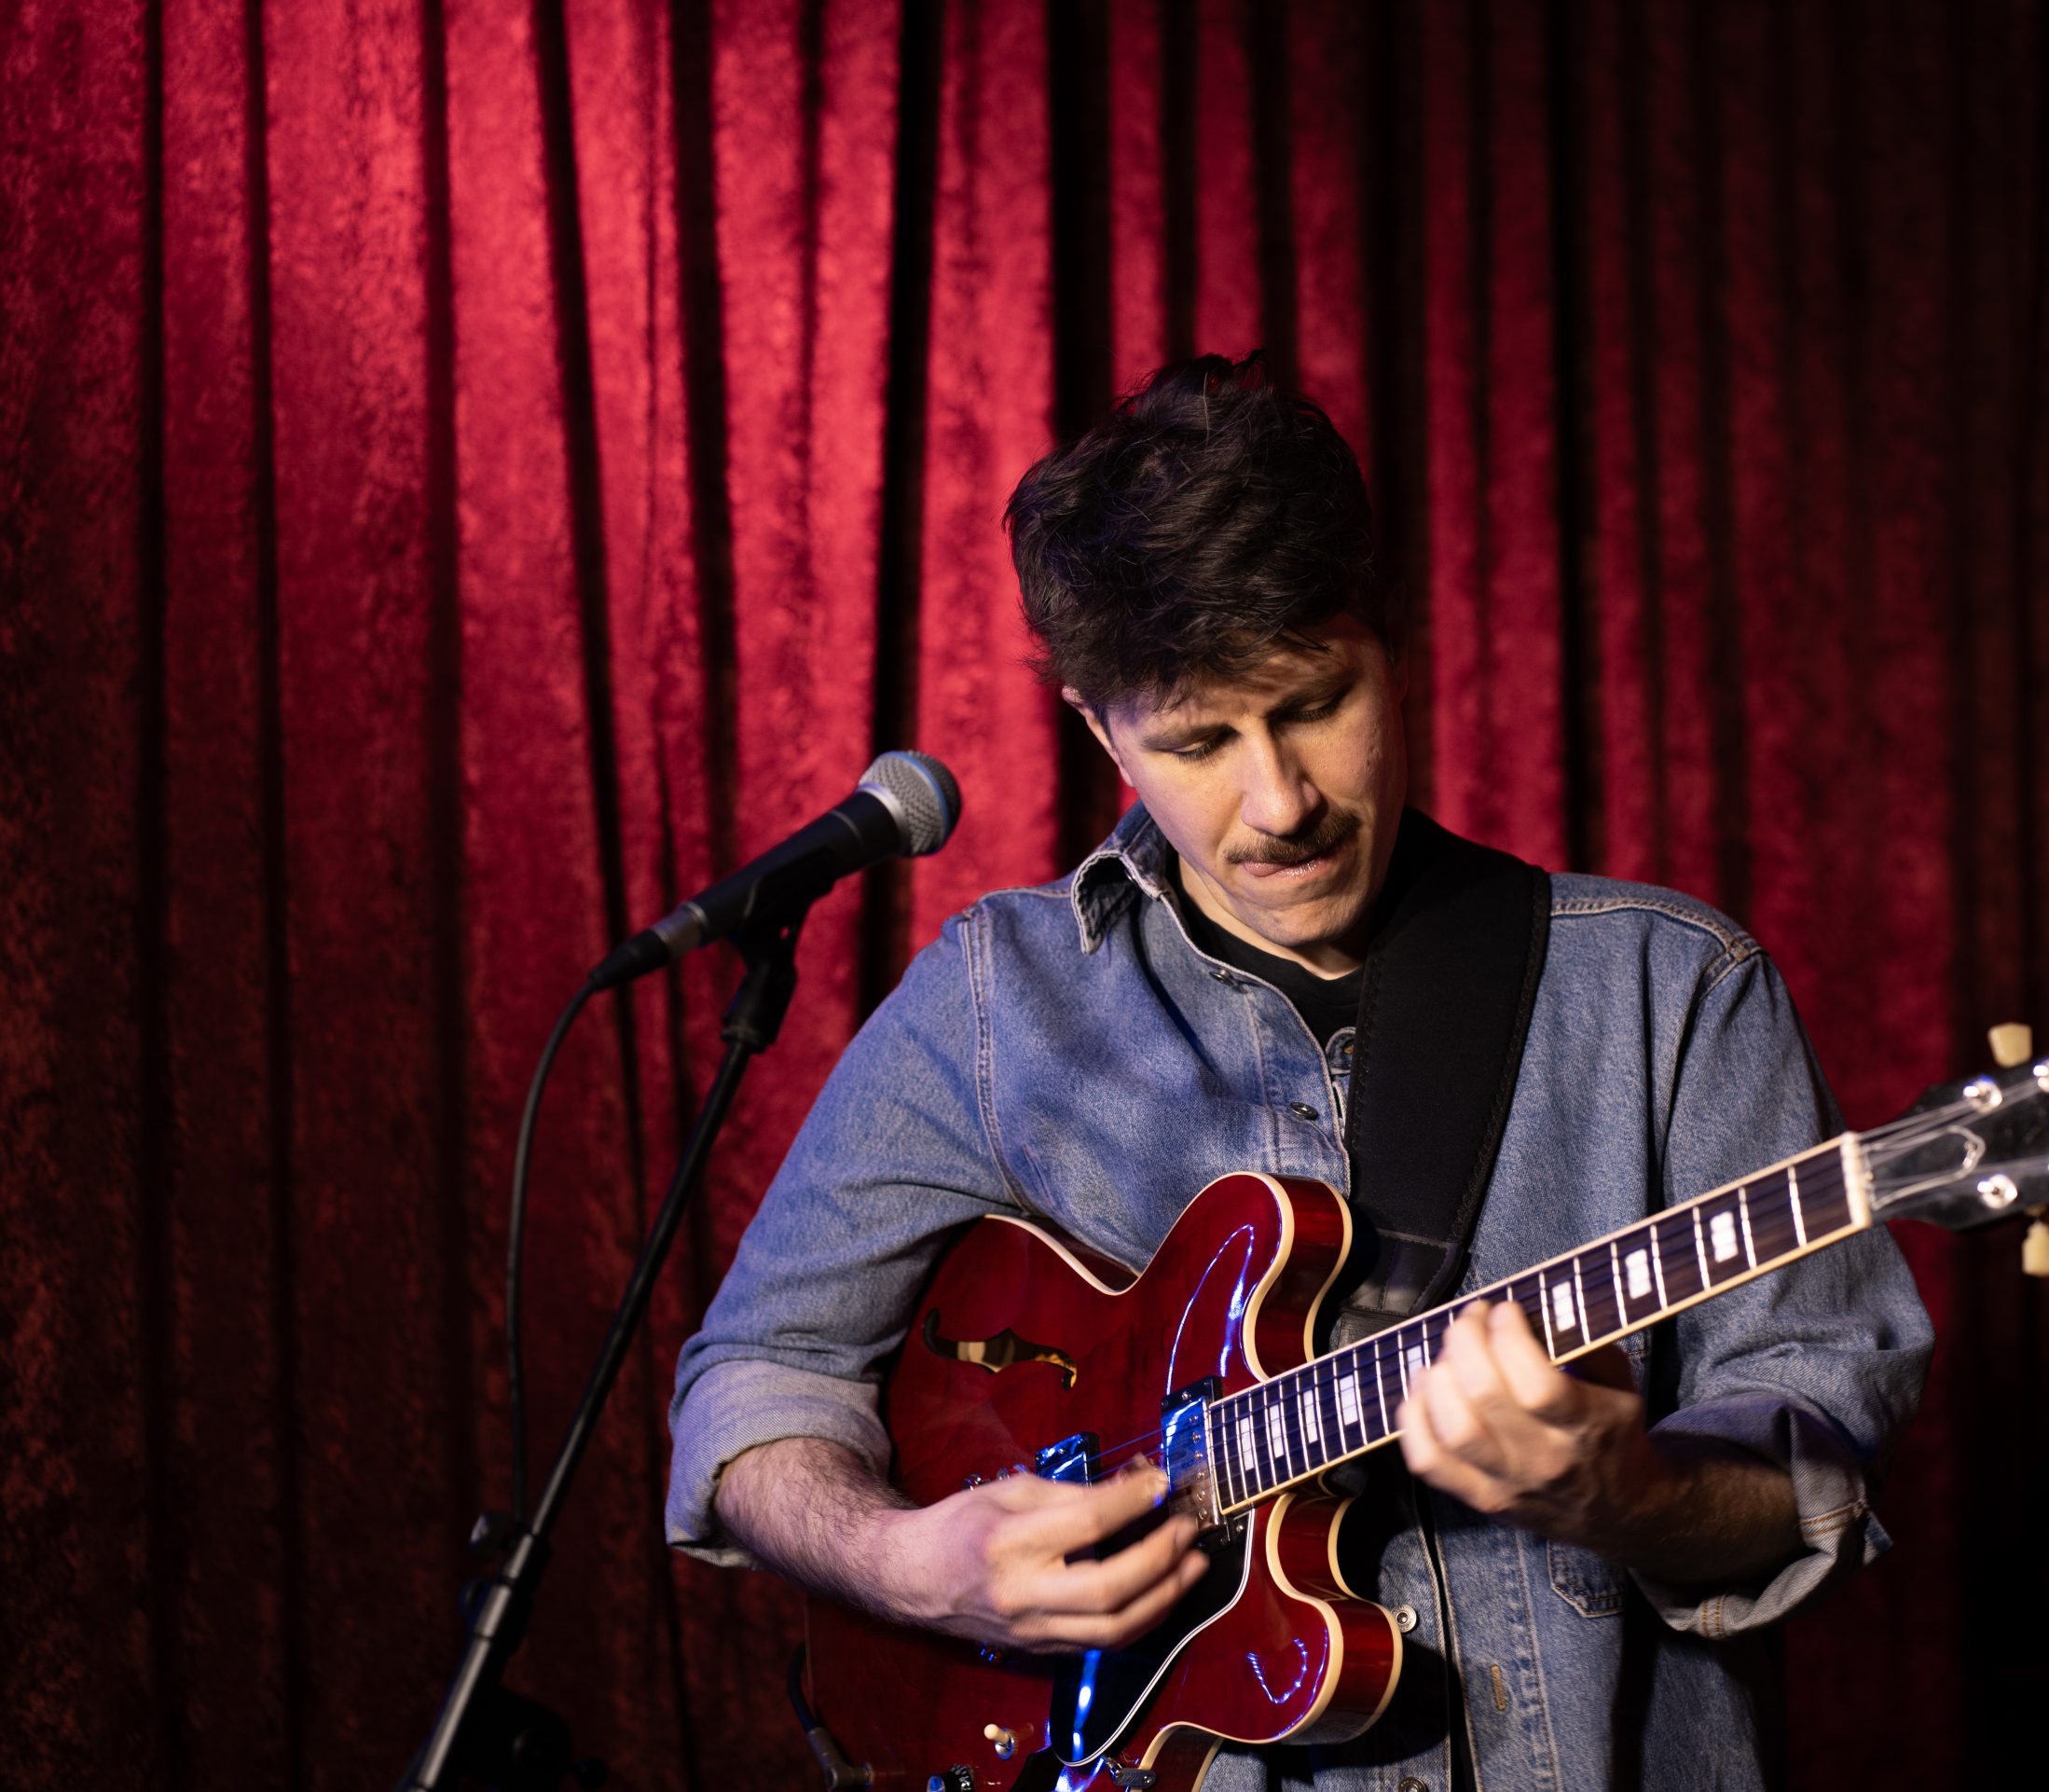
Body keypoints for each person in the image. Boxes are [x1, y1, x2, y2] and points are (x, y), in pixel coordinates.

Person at [667, 353, 1933, 1791]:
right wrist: (908, 1561)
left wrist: (1627, 1490)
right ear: (1098, 728)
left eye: (1315, 701)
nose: (1280, 801)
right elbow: (754, 1378)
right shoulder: (993, 1000)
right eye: (1199, 741)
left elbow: (1815, 1465)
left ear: (1389, 646)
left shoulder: (1672, 991)